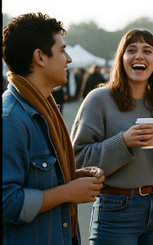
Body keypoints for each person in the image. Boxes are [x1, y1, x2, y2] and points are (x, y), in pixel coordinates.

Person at [70, 28, 153, 245]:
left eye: (147, 51)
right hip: (115, 210)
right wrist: (123, 142)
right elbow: (77, 160)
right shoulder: (99, 100)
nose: (139, 56)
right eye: (131, 50)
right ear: (121, 59)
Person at [2, 12, 105, 245]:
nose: (68, 59)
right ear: (40, 57)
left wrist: (74, 178)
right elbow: (6, 201)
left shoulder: (44, 108)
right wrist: (67, 192)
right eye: (61, 50)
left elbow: (34, 181)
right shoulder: (10, 120)